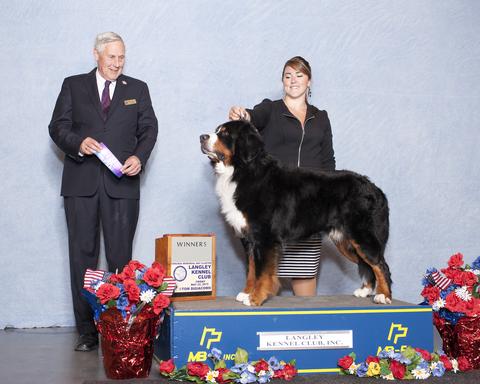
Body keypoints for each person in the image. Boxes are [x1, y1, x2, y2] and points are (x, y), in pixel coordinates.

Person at [49, 32, 158, 351]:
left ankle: (121, 326)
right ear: (96, 55)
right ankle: (86, 331)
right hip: (80, 183)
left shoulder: (137, 88)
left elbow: (150, 129)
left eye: (122, 57)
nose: (117, 63)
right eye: (111, 57)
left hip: (122, 185)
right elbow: (57, 126)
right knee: (82, 259)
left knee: (121, 258)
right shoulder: (73, 85)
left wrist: (139, 156)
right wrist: (77, 144)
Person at [228, 56, 335, 297]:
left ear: (309, 81)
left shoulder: (321, 117)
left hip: (309, 205)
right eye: (288, 76)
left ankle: (307, 330)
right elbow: (252, 116)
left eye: (299, 75)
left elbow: (328, 160)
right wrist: (241, 113)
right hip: (274, 206)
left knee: (305, 280)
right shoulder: (271, 109)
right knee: (267, 276)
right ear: (282, 81)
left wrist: (329, 197)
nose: (293, 80)